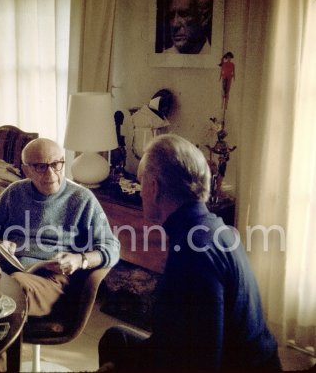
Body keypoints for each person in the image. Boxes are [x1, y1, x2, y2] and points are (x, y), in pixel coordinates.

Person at [98, 134, 280, 371]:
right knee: (116, 340)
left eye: (141, 182)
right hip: (240, 356)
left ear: (153, 188)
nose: (140, 191)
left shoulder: (194, 253)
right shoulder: (212, 228)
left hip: (235, 365)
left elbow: (200, 361)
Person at [0, 138, 120, 316]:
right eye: (40, 166)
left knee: (12, 289)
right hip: (5, 268)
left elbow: (112, 248)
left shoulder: (82, 198)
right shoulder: (13, 193)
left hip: (51, 277)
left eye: (56, 164)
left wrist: (80, 260)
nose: (51, 174)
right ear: (26, 170)